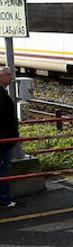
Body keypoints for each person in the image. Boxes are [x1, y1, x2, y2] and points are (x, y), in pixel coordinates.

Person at [0, 67, 17, 209]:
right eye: (8, 75)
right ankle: (5, 199)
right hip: (4, 139)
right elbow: (4, 118)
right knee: (4, 168)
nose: (11, 78)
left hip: (5, 137)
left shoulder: (3, 93)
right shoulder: (2, 95)